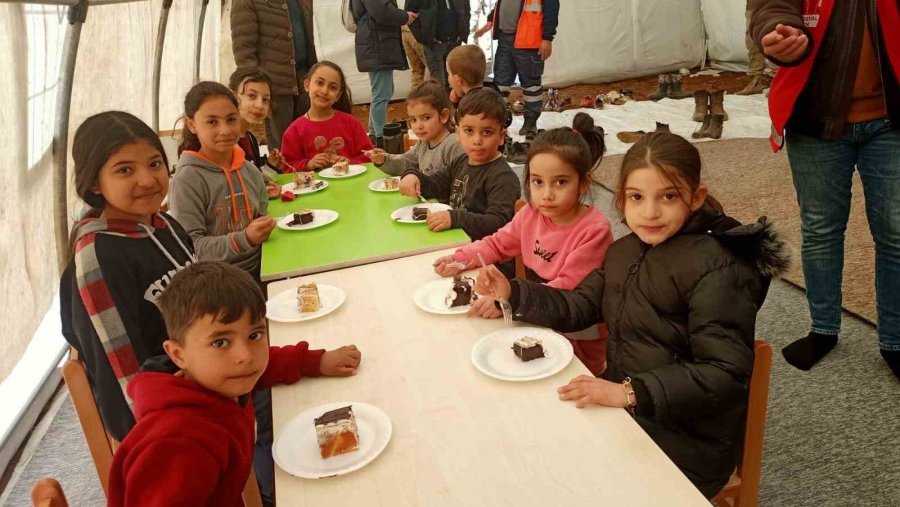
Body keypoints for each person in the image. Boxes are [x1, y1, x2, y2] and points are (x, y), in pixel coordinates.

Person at [475, 132, 789, 498]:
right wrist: (515, 291)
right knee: (526, 449)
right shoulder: (623, 252)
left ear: (697, 197)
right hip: (630, 407)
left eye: (668, 196)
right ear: (621, 200)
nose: (650, 212)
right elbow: (578, 306)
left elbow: (725, 372)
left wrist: (629, 392)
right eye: (637, 197)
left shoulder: (720, 269)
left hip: (687, 437)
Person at [106, 261, 362, 507]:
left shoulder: (217, 379)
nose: (245, 356)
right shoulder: (177, 445)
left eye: (254, 335)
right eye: (220, 342)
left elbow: (264, 367)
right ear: (178, 354)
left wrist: (316, 362)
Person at [750, 0, 900, 377]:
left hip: (891, 120)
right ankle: (823, 328)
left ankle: (896, 340)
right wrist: (778, 31)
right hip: (815, 119)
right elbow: (772, 6)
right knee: (821, 230)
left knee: (896, 234)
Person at [433, 114, 612, 374]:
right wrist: (460, 258)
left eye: (561, 182)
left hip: (576, 340)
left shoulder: (594, 230)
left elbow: (566, 291)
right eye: (538, 182)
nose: (547, 194)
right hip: (534, 320)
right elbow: (497, 244)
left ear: (583, 184)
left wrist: (509, 300)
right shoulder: (530, 214)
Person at [60, 111, 197, 443]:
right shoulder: (99, 256)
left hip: (206, 374)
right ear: (95, 182)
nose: (148, 180)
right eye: (125, 170)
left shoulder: (166, 226)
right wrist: (160, 433)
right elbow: (122, 374)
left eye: (154, 163)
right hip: (166, 417)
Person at [168, 81, 274, 278]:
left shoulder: (250, 171)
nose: (225, 130)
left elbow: (260, 216)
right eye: (212, 122)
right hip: (218, 282)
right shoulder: (187, 180)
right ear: (191, 124)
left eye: (231, 119)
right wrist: (244, 238)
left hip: (264, 267)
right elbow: (192, 247)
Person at [399, 87, 520, 241]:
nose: (477, 140)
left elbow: (498, 223)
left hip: (486, 256)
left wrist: (455, 219)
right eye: (469, 131)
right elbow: (435, 184)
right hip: (454, 241)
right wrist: (413, 175)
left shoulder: (503, 178)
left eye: (487, 132)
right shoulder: (461, 162)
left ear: (501, 136)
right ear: (458, 134)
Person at [231, 0, 317, 150]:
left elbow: (307, 38)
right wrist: (258, 92)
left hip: (304, 80)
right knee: (283, 147)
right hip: (274, 85)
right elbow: (244, 49)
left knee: (308, 143)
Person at [475, 0, 560, 135]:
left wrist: (547, 38)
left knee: (531, 85)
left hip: (528, 42)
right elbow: (501, 4)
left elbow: (551, 11)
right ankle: (497, 122)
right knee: (500, 84)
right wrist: (491, 20)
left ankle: (530, 123)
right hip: (505, 40)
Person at [280, 61, 374, 172]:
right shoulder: (294, 131)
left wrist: (350, 163)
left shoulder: (351, 123)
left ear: (338, 96)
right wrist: (308, 165)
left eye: (332, 87)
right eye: (320, 83)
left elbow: (370, 156)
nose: (324, 91)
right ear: (306, 85)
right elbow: (287, 166)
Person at [350, 0, 418, 147]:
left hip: (374, 43)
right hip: (377, 44)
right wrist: (404, 16)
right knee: (382, 93)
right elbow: (382, 12)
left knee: (380, 92)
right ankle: (382, 139)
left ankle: (374, 134)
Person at [367, 80, 464, 176]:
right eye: (413, 120)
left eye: (426, 118)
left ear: (443, 116)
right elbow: (405, 164)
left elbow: (460, 184)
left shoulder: (454, 145)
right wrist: (384, 159)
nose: (418, 126)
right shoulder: (424, 143)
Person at [227, 68, 283, 199]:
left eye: (265, 99)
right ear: (233, 96)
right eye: (251, 96)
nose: (260, 105)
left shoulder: (250, 138)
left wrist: (271, 166)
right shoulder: (226, 141)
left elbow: (253, 181)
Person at [406, 0, 470, 88]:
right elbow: (410, 15)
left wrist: (463, 31)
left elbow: (466, 10)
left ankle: (451, 101)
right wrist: (424, 37)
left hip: (455, 42)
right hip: (433, 44)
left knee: (456, 84)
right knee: (438, 85)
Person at [736, 0, 770, 96]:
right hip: (753, 7)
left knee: (773, 38)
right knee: (752, 42)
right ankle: (755, 81)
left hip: (773, 6)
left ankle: (776, 81)